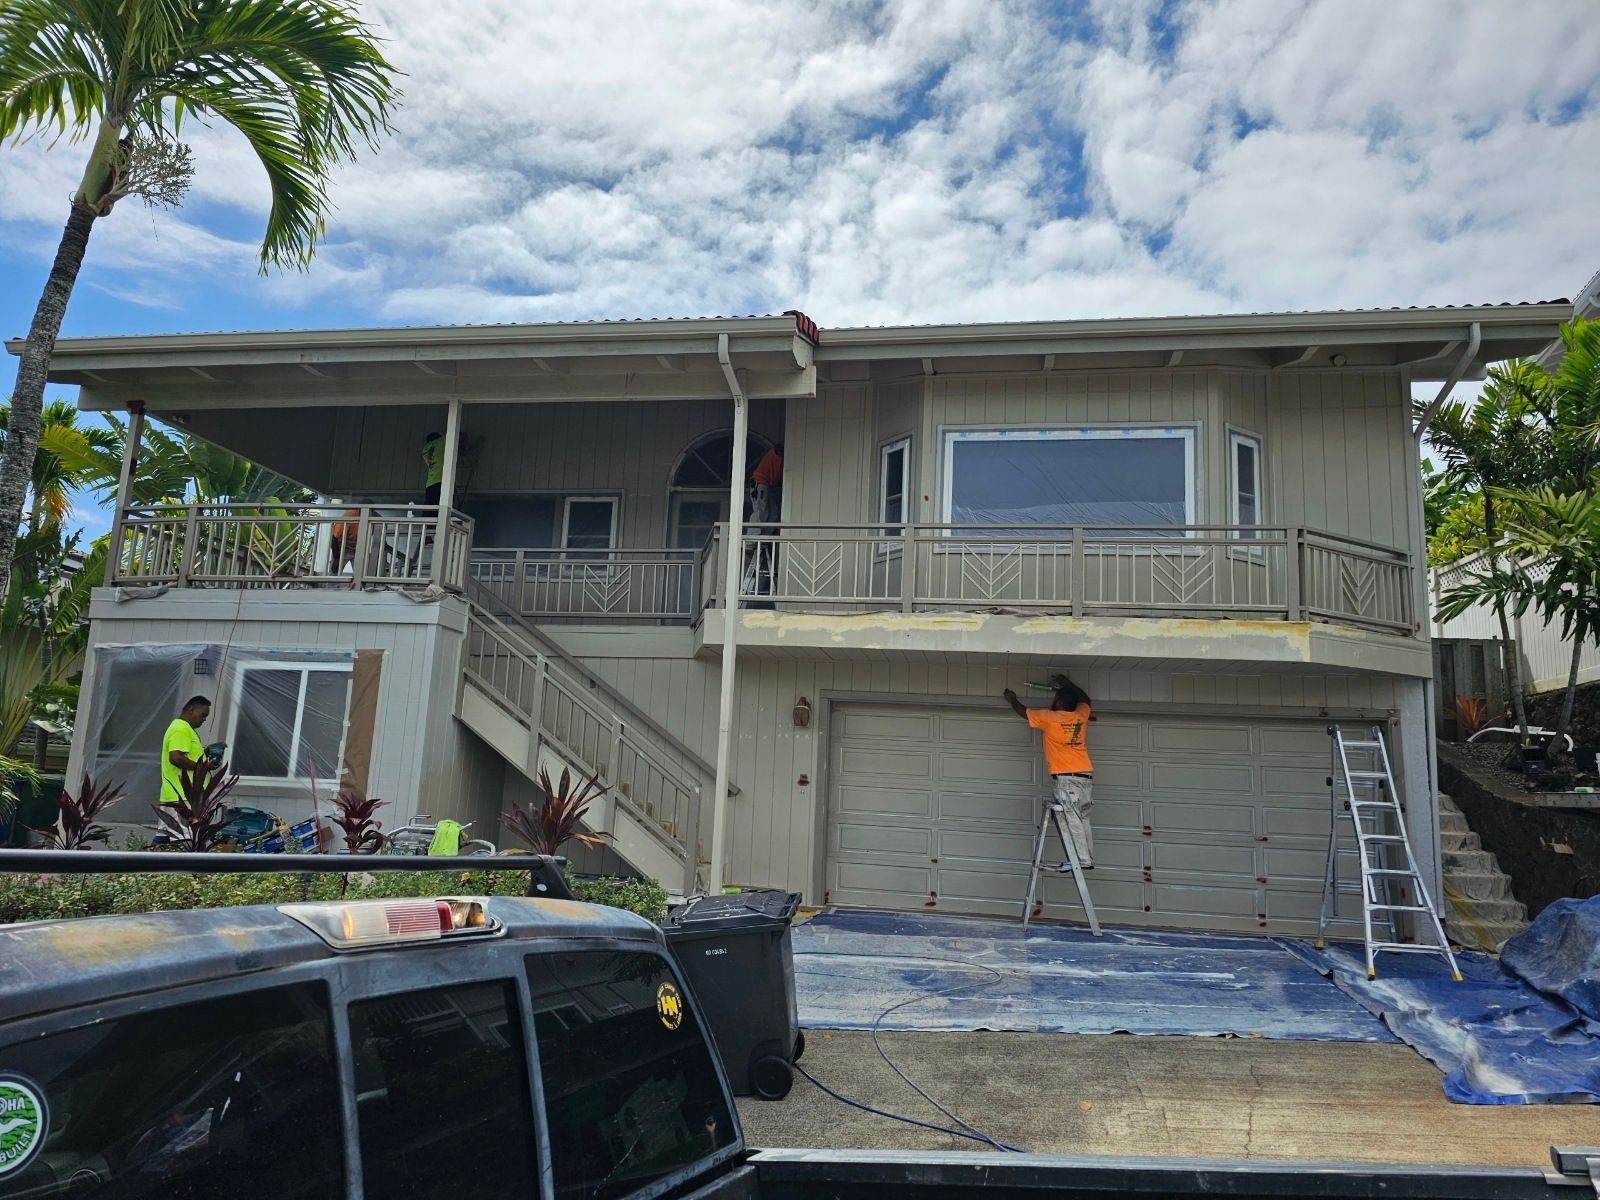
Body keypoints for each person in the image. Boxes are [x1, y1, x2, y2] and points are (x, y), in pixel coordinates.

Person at [1003, 679, 1094, 869]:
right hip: (1085, 776)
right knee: (1083, 818)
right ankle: (1087, 858)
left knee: (1072, 819)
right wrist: (1068, 684)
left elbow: (1023, 711)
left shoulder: (1050, 718)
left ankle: (1082, 860)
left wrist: (1012, 698)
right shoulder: (1081, 715)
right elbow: (1086, 700)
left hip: (1067, 778)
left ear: (1059, 701)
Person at [161, 696, 217, 805]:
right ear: (191, 710)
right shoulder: (181, 729)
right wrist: (203, 767)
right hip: (183, 797)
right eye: (203, 715)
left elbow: (189, 756)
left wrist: (208, 750)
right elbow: (176, 758)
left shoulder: (185, 729)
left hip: (185, 796)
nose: (204, 719)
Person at [746, 443, 784, 599]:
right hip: (760, 482)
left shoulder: (779, 459)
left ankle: (763, 539)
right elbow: (778, 449)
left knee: (773, 514)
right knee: (760, 512)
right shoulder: (776, 454)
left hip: (766, 484)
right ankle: (751, 541)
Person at [421, 432, 444, 504]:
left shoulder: (426, 449)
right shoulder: (443, 441)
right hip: (445, 481)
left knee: (430, 508)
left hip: (431, 483)